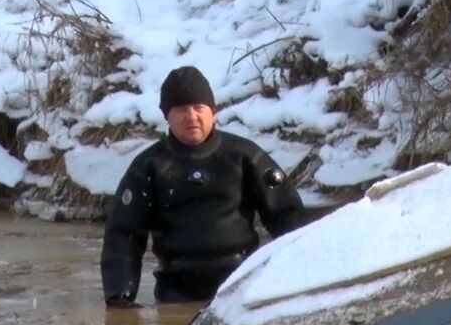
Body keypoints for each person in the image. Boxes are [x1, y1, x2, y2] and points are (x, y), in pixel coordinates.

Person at [101, 66, 306, 306]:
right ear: (167, 115)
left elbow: (288, 217)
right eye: (180, 109)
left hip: (240, 288)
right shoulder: (148, 166)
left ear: (212, 111)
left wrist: (302, 279)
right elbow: (123, 234)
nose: (191, 116)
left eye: (198, 108)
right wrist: (119, 296)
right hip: (176, 293)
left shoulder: (244, 156)